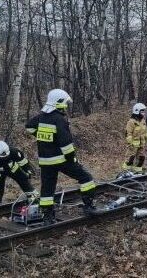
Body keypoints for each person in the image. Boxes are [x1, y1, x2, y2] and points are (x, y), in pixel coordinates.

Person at [25, 89, 99, 225]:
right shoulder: (59, 119)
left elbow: (29, 127)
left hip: (45, 161)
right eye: (65, 103)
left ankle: (48, 217)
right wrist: (73, 159)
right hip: (61, 160)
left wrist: (43, 137)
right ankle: (89, 206)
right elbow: (67, 146)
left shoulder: (41, 117)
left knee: (47, 189)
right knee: (86, 178)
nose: (66, 106)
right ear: (59, 102)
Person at [0, 140, 37, 206]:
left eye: (6, 157)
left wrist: (28, 170)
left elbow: (24, 162)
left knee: (24, 180)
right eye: (2, 158)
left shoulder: (14, 152)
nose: (5, 158)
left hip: (13, 169)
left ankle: (34, 198)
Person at [123, 103, 147, 173]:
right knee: (130, 159)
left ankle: (137, 172)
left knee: (141, 158)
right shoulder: (131, 122)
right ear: (137, 111)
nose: (144, 113)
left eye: (144, 111)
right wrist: (130, 143)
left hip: (141, 144)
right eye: (142, 111)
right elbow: (128, 133)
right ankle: (126, 172)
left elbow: (146, 132)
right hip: (133, 145)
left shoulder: (143, 121)